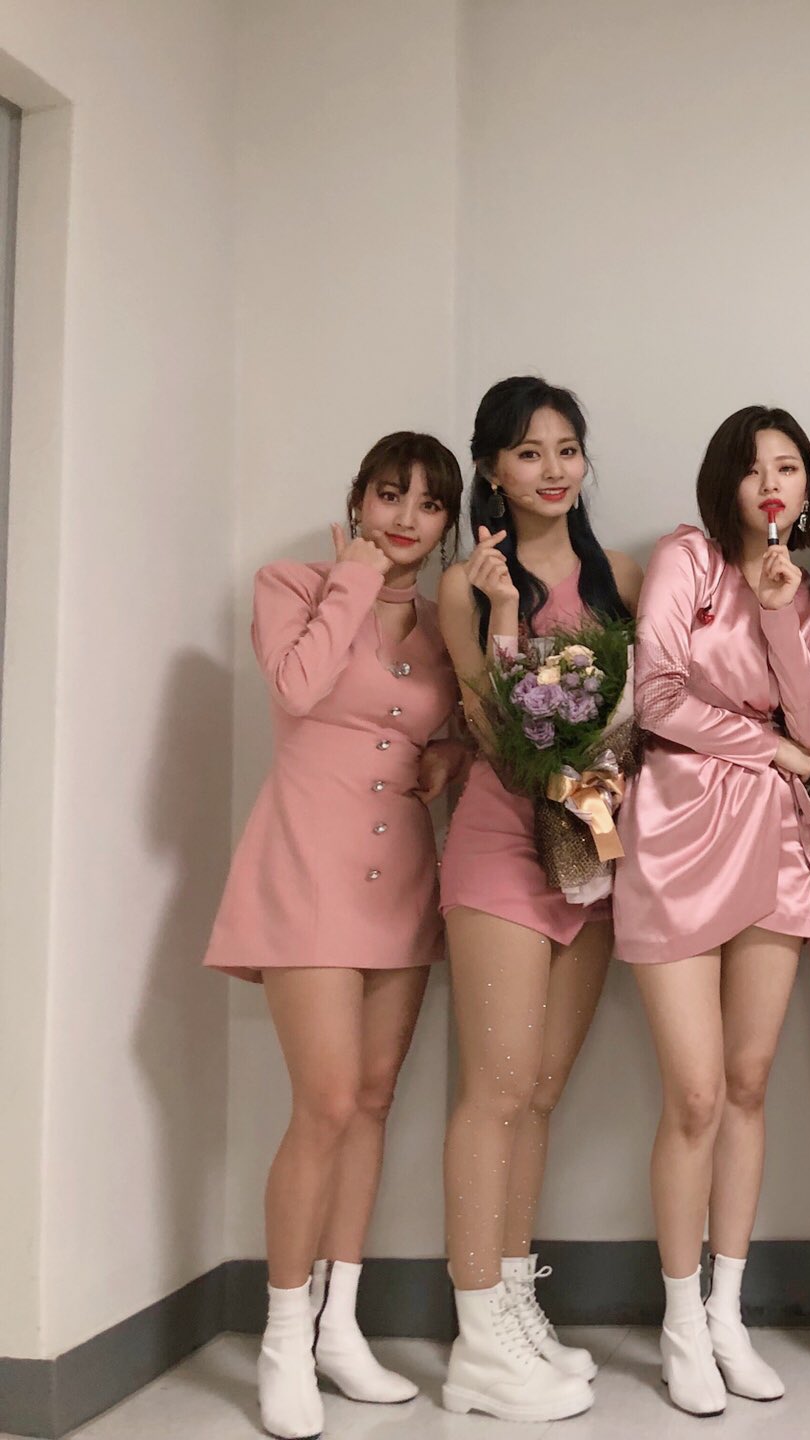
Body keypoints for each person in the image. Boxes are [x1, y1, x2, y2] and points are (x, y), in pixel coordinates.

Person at [205, 432, 465, 1439]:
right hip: (305, 872)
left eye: (429, 504)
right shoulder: (294, 584)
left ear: (447, 524)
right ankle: (283, 1339)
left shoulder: (443, 625)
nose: (407, 517)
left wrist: (447, 753)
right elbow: (296, 687)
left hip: (399, 876)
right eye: (390, 494)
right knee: (322, 1102)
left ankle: (340, 1329)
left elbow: (447, 721)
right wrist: (354, 576)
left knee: (371, 1101)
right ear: (358, 499)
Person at [613, 405, 810, 1417]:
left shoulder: (802, 590)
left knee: (747, 1083)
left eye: (789, 467)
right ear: (725, 483)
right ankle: (677, 1322)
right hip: (675, 826)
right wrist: (771, 747)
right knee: (695, 1093)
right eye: (753, 468)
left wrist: (782, 612)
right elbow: (657, 695)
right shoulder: (687, 559)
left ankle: (727, 1315)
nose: (772, 483)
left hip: (774, 841)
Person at [436, 377, 641, 1423]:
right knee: (497, 1089)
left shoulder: (619, 576)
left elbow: (645, 711)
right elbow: (490, 728)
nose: (554, 470)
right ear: (491, 470)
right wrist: (509, 615)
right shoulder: (466, 586)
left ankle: (514, 1305)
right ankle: (477, 1340)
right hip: (499, 843)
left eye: (567, 449)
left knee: (544, 1088)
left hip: (590, 843)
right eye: (528, 452)